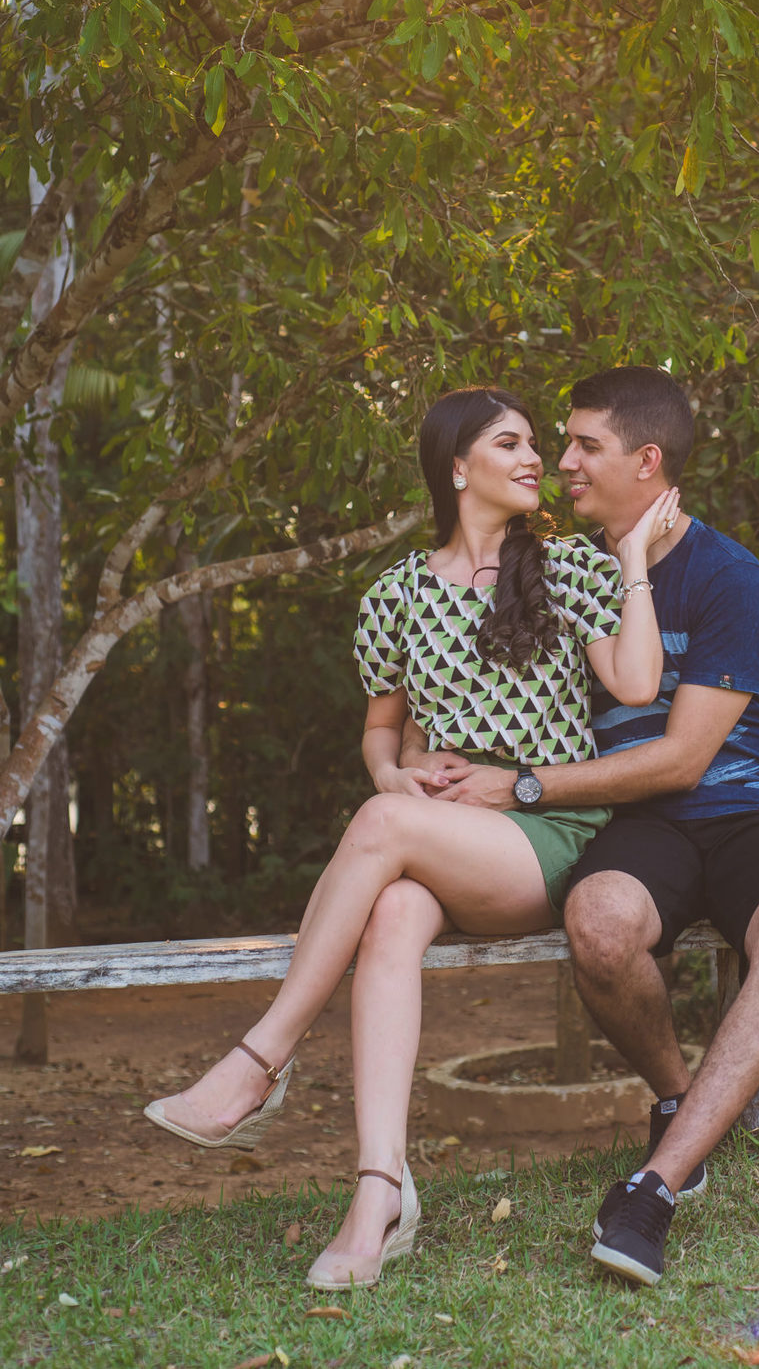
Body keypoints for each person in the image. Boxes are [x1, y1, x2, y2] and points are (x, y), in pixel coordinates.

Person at [143, 385, 679, 1289]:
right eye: (510, 443)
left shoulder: (568, 568)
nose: (535, 459)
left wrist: (629, 559)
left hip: (546, 830)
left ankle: (259, 1061)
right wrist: (395, 776)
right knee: (391, 910)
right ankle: (378, 1193)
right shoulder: (396, 594)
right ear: (457, 467)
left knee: (383, 825)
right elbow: (381, 735)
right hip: (440, 832)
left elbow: (635, 683)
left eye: (535, 444)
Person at [415, 367, 759, 1288]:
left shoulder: (727, 574)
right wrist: (425, 765)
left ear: (647, 462)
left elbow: (684, 759)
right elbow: (469, 686)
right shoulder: (552, 568)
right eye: (559, 443)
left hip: (750, 807)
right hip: (635, 824)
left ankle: (654, 1186)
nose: (562, 461)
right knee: (599, 923)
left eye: (584, 446)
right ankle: (681, 1102)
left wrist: (523, 787)